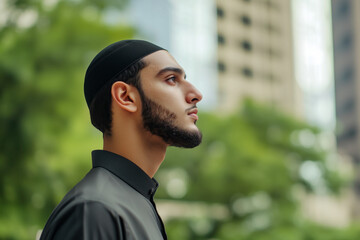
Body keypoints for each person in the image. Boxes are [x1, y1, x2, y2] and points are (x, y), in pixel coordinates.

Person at [39, 39, 203, 240]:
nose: (196, 94)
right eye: (171, 79)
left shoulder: (134, 202)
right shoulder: (95, 209)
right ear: (125, 97)